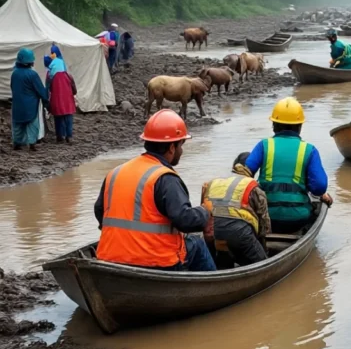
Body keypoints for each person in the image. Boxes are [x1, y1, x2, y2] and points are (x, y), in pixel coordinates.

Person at [94, 109, 216, 272]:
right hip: (156, 261)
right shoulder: (165, 178)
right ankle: (212, 290)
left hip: (109, 257)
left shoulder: (115, 172)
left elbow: (99, 211)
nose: (181, 151)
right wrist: (204, 211)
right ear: (172, 147)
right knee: (198, 244)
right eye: (181, 145)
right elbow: (184, 220)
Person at [244, 98, 333, 234]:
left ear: (274, 124)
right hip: (298, 218)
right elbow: (319, 187)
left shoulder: (264, 145)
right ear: (300, 126)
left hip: (265, 216)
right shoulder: (309, 149)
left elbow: (243, 176)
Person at [201, 152, 271, 269]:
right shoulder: (253, 186)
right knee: (264, 265)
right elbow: (264, 226)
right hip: (239, 233)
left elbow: (202, 212)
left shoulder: (213, 182)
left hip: (212, 233)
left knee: (221, 262)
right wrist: (263, 250)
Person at [10, 48, 48, 151]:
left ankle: (17, 144)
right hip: (30, 104)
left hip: (17, 103)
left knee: (17, 124)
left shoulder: (15, 73)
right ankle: (32, 144)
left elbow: (12, 87)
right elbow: (40, 90)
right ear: (30, 61)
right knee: (32, 124)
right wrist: (46, 101)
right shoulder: (32, 74)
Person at [46, 45, 77, 143]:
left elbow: (48, 88)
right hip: (68, 99)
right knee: (68, 117)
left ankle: (60, 136)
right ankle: (69, 136)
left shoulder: (50, 76)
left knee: (58, 118)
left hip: (56, 99)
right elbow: (74, 89)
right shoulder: (68, 75)